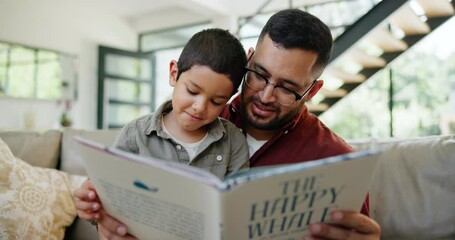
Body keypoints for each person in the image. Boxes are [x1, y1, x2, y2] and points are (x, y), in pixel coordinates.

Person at [74, 9, 381, 240]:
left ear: (312, 91)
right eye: (258, 74)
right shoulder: (198, 116)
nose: (265, 95)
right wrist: (98, 211)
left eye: (287, 88)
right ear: (248, 59)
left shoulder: (337, 160)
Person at [73, 28, 250, 231]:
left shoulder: (234, 141)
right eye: (192, 91)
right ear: (174, 73)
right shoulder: (136, 135)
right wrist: (92, 203)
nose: (200, 107)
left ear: (229, 97)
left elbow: (239, 211)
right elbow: (107, 195)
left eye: (216, 101)